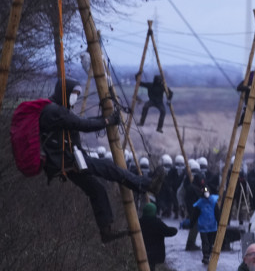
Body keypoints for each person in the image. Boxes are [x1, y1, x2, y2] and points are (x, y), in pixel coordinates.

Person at [38, 78, 163, 243]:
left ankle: (106, 230)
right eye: (74, 93)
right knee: (110, 168)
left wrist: (106, 119)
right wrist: (107, 121)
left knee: (97, 189)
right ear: (65, 93)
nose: (75, 97)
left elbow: (80, 123)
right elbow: (83, 124)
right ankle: (145, 184)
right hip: (65, 160)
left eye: (77, 94)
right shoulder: (54, 111)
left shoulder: (59, 110)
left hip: (64, 160)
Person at [139, 202, 178, 271]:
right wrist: (175, 229)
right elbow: (168, 231)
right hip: (154, 253)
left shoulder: (139, 222)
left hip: (141, 251)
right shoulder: (157, 222)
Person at [192, 188, 219, 264]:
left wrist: (219, 222)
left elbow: (217, 213)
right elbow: (195, 214)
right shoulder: (200, 203)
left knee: (210, 242)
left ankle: (208, 254)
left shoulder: (213, 201)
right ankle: (206, 256)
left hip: (212, 226)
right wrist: (192, 223)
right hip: (203, 226)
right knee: (205, 242)